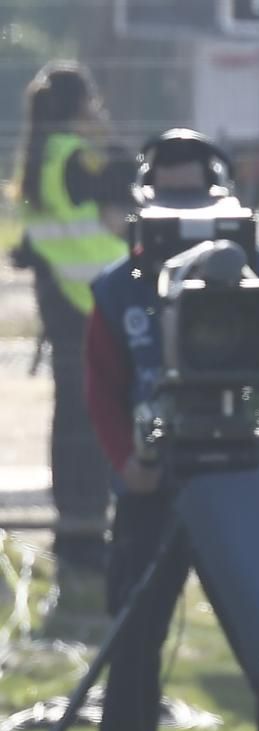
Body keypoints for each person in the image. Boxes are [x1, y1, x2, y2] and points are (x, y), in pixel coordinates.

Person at [82, 130, 259, 731]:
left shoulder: (257, 272)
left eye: (196, 195)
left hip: (241, 475)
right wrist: (131, 463)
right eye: (172, 195)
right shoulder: (118, 287)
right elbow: (103, 388)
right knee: (134, 634)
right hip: (156, 481)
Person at [10, 62, 135, 591]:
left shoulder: (36, 157)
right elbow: (128, 180)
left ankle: (77, 531)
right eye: (92, 101)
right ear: (78, 105)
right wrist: (107, 135)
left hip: (61, 300)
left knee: (72, 424)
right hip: (96, 300)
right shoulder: (76, 155)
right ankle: (89, 537)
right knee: (95, 422)